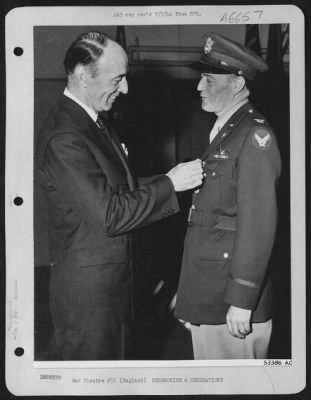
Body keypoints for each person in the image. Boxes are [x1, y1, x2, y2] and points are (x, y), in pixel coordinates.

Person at [35, 31, 203, 361]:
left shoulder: (92, 122)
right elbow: (109, 214)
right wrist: (169, 184)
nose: (125, 89)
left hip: (113, 290)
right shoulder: (65, 135)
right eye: (118, 79)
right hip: (89, 301)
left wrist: (175, 181)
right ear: (84, 76)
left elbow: (118, 186)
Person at [174, 32, 281, 359]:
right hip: (208, 287)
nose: (198, 87)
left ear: (236, 84)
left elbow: (258, 225)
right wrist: (188, 290)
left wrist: (242, 300)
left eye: (208, 79)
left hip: (230, 299)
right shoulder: (226, 129)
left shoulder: (254, 134)